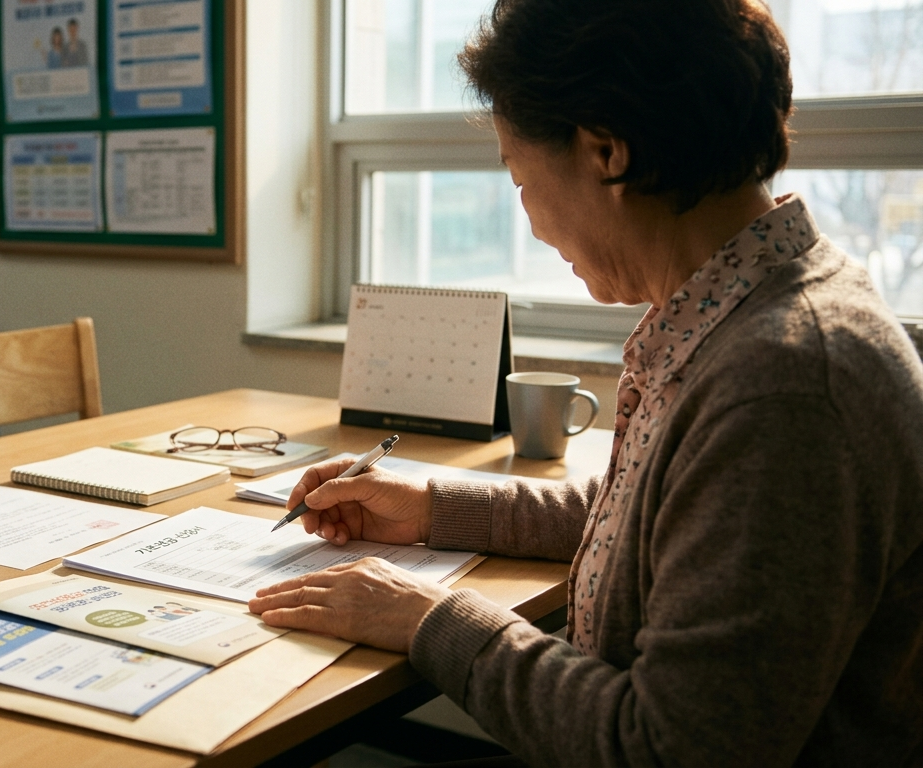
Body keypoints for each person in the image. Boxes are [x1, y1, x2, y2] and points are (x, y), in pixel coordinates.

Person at [247, 1, 923, 765]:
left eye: (520, 178)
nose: (532, 223)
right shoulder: (743, 309)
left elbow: (666, 751)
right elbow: (658, 520)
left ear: (606, 152)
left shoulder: (784, 386)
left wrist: (428, 619)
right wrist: (431, 508)